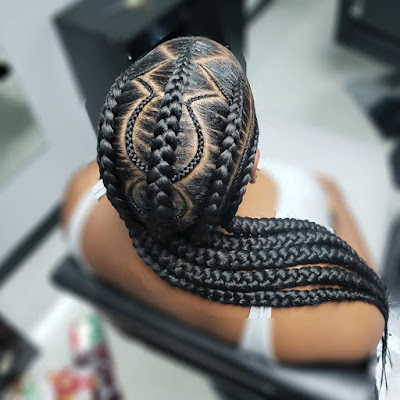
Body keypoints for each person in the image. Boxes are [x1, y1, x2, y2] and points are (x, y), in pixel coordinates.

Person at [61, 36, 388, 363]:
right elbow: (371, 306)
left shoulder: (81, 196)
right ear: (253, 164)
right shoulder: (334, 317)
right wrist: (334, 198)